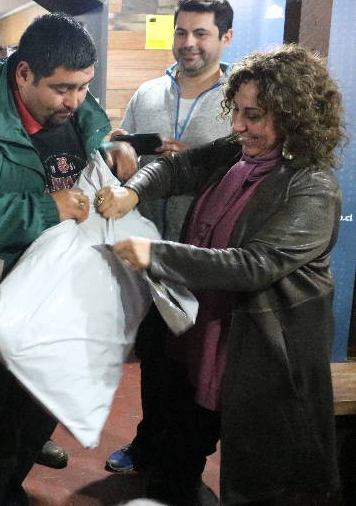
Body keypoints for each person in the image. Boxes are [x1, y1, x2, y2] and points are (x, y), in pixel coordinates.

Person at [96, 44, 344, 505]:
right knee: (175, 461)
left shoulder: (311, 186)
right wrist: (132, 191)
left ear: (294, 116)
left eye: (254, 115)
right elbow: (179, 166)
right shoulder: (238, 152)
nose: (239, 126)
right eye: (238, 112)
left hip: (257, 353)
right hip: (201, 333)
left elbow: (255, 265)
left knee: (264, 481)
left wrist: (157, 254)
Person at [0, 12, 136, 505]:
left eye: (83, 87)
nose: (74, 101)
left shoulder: (76, 108)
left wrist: (114, 148)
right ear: (24, 73)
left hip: (54, 308)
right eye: (62, 89)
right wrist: (45, 208)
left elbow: (94, 137)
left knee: (33, 426)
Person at [104, 0, 234, 474]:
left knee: (200, 368)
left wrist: (191, 166)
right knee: (156, 359)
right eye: (182, 31)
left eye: (201, 33)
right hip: (150, 254)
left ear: (225, 37)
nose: (189, 43)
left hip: (209, 258)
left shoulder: (238, 99)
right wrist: (122, 149)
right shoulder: (147, 93)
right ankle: (146, 441)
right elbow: (123, 160)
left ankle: (186, 465)